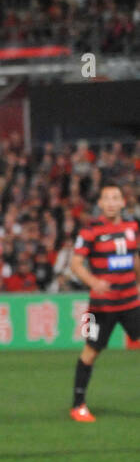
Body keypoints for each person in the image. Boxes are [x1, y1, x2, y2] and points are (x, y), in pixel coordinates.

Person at [70, 181, 138, 422]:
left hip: (131, 302)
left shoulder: (133, 226)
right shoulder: (90, 230)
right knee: (91, 351)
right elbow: (75, 264)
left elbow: (135, 258)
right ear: (100, 204)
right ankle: (78, 405)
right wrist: (93, 282)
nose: (111, 203)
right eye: (106, 198)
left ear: (122, 202)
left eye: (115, 198)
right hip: (101, 306)